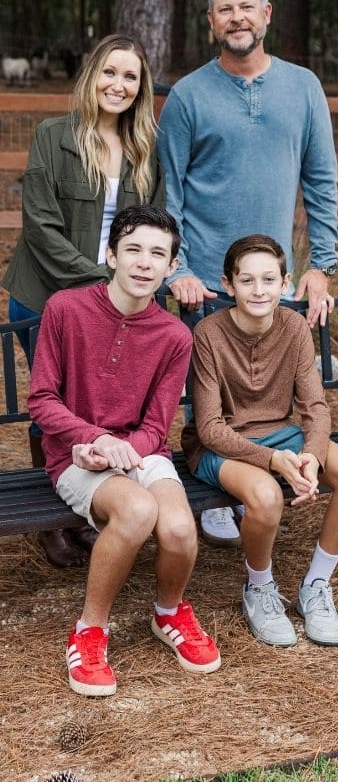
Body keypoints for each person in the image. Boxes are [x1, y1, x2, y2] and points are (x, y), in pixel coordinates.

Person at [157, 0, 338, 544]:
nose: (236, 18)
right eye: (224, 10)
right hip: (205, 281)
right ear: (211, 22)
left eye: (246, 8)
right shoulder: (187, 95)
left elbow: (321, 180)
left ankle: (262, 477)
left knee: (269, 394)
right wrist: (177, 269)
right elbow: (171, 191)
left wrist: (321, 264)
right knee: (209, 395)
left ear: (266, 14)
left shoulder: (304, 86)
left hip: (274, 276)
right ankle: (221, 490)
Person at [28, 205, 221, 696]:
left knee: (178, 526)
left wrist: (120, 449)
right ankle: (90, 629)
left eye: (158, 253)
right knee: (136, 511)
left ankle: (169, 611)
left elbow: (157, 426)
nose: (143, 262)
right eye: (133, 249)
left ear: (171, 267)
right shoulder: (65, 310)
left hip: (140, 448)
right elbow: (42, 401)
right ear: (111, 254)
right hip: (72, 453)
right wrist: (93, 441)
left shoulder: (175, 336)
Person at [6, 33, 164, 565]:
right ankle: (52, 520)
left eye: (131, 77)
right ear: (92, 76)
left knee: (92, 404)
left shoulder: (146, 147)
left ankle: (84, 509)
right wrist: (102, 281)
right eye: (110, 72)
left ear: (141, 89)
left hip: (116, 303)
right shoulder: (55, 136)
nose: (118, 85)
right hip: (46, 292)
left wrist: (129, 284)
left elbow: (156, 221)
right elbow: (41, 227)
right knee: (50, 400)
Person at [185, 234, 338, 651]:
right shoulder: (208, 334)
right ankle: (260, 588)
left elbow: (316, 408)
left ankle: (316, 584)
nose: (259, 290)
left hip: (281, 434)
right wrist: (274, 461)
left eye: (269, 279)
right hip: (218, 445)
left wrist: (310, 454)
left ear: (285, 283)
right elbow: (211, 427)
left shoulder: (292, 326)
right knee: (267, 496)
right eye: (247, 280)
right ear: (228, 284)